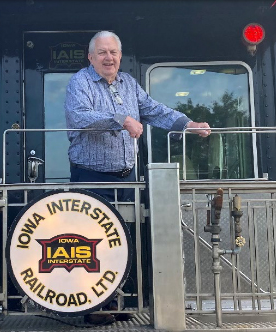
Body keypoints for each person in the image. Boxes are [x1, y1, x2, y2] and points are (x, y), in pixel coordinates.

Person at [64, 31, 211, 324]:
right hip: (92, 177)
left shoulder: (128, 83)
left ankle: (120, 301)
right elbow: (79, 116)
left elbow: (154, 111)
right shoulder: (79, 82)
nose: (109, 58)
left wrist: (187, 124)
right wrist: (120, 120)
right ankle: (93, 309)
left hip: (127, 177)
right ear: (90, 57)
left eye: (113, 52)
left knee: (124, 241)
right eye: (102, 53)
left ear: (119, 56)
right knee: (93, 243)